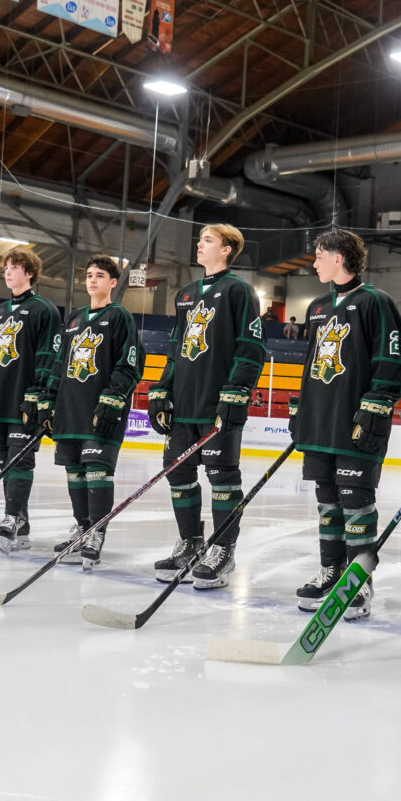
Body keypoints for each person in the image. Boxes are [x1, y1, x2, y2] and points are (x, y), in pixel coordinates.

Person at [287, 230, 401, 622]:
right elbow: (310, 367)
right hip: (321, 423)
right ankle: (332, 572)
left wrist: (375, 406)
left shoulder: (375, 302)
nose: (314, 263)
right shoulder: (319, 307)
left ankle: (358, 581)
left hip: (356, 423)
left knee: (355, 500)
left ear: (339, 257)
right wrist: (301, 413)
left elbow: (393, 360)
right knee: (327, 502)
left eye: (319, 256)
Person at [147, 224, 268, 589]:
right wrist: (161, 390)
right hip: (183, 404)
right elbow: (175, 350)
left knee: (222, 476)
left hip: (217, 404)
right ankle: (191, 544)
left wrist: (236, 393)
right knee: (178, 473)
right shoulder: (185, 295)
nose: (199, 245)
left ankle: (223, 550)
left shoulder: (239, 291)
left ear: (228, 249)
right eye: (199, 239)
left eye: (208, 240)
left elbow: (251, 348)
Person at [39, 255, 141, 567]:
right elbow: (59, 364)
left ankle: (97, 531)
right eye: (89, 275)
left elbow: (131, 362)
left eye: (100, 275)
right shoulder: (73, 319)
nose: (92, 280)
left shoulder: (120, 316)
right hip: (70, 408)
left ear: (113, 282)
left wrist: (113, 398)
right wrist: (48, 400)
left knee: (97, 470)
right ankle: (82, 527)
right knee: (75, 472)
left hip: (101, 409)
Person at [0, 249, 61, 552]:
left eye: (15, 268)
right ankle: (19, 521)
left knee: (19, 459)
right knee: (4, 460)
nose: (8, 272)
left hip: (24, 399)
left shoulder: (44, 309)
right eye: (7, 268)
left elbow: (49, 355)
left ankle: (11, 517)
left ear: (29, 273)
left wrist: (39, 394)